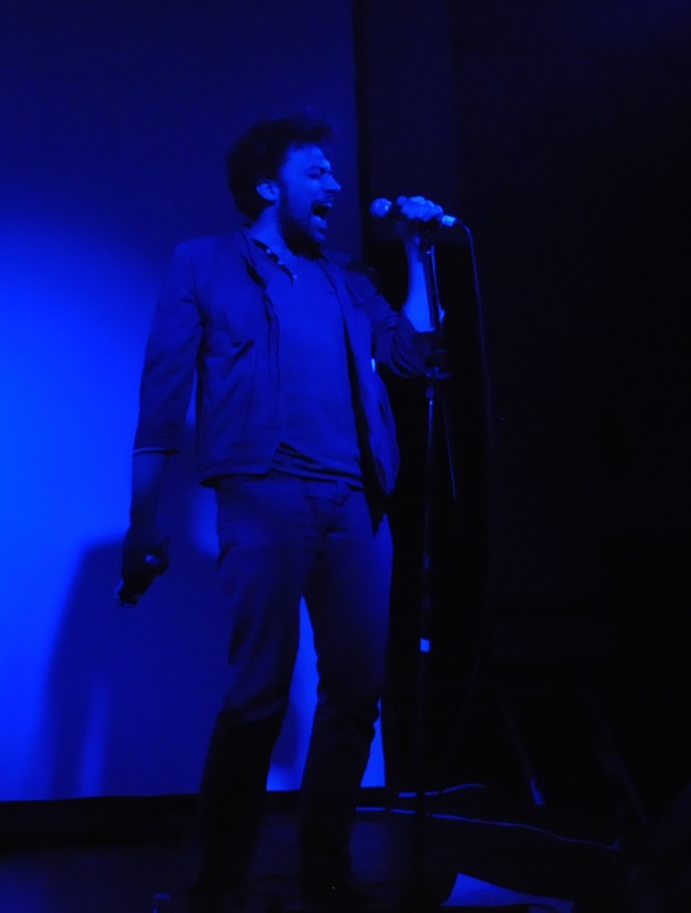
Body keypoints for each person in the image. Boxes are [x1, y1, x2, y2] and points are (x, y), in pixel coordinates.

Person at [123, 114, 442, 911]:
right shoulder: (202, 263)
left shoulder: (346, 278)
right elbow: (162, 399)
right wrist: (144, 519)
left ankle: (326, 874)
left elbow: (415, 357)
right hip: (264, 493)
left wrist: (419, 254)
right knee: (258, 692)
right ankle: (218, 883)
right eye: (317, 171)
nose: (336, 183)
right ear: (269, 185)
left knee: (357, 693)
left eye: (334, 171)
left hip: (359, 500)